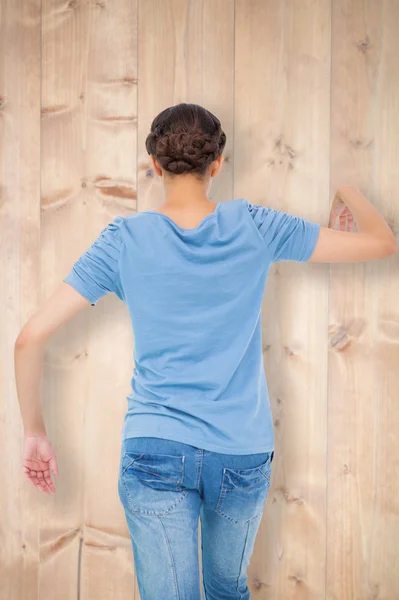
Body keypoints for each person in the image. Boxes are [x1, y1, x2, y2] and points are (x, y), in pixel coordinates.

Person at [14, 103, 396, 599]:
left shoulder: (122, 241)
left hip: (154, 448)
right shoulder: (256, 225)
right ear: (218, 163)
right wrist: (348, 192)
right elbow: (381, 242)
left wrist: (36, 432)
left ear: (154, 164)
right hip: (240, 452)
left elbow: (28, 338)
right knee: (227, 588)